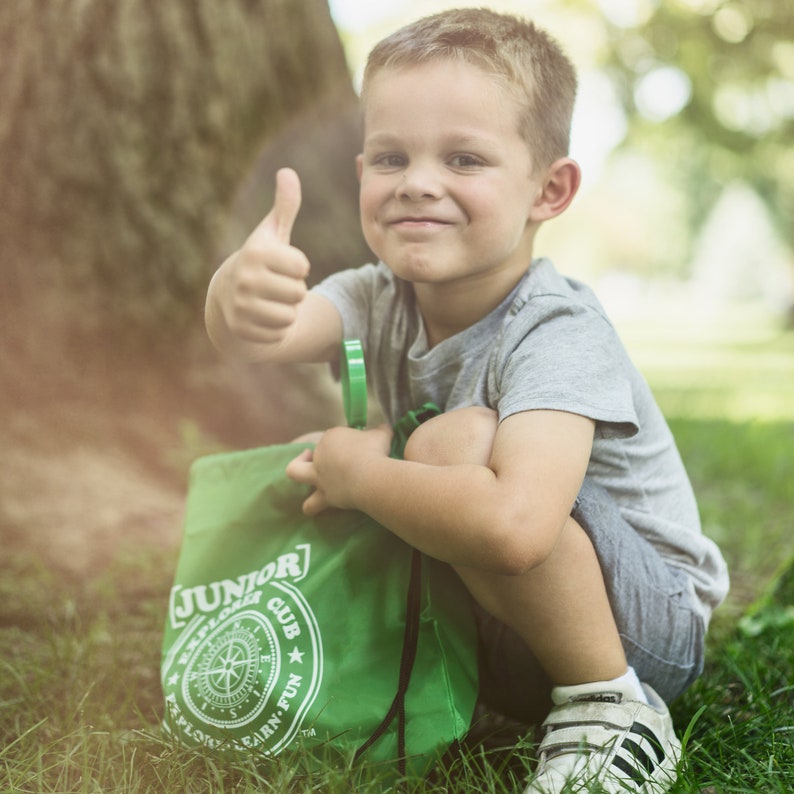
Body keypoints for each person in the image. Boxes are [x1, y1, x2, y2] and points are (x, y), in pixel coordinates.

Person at [204, 8, 729, 793]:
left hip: (640, 629)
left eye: (464, 158)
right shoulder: (371, 298)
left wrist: (358, 477)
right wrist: (236, 295)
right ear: (361, 176)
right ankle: (487, 690)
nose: (418, 181)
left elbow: (516, 528)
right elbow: (260, 335)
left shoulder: (556, 327)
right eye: (390, 156)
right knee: (433, 455)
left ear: (549, 190)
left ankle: (612, 709)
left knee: (452, 446)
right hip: (508, 631)